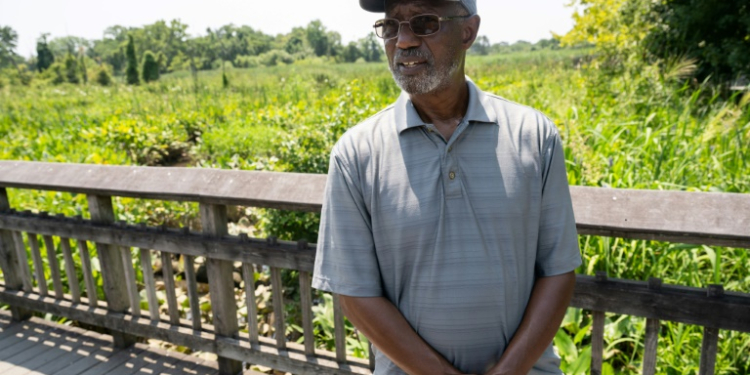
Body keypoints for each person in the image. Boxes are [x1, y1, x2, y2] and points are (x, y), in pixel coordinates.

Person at [312, 0, 582, 374]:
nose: (403, 41)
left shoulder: (533, 136)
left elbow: (558, 270)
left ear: (468, 31)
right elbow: (354, 291)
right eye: (391, 26)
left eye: (424, 23)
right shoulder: (357, 153)